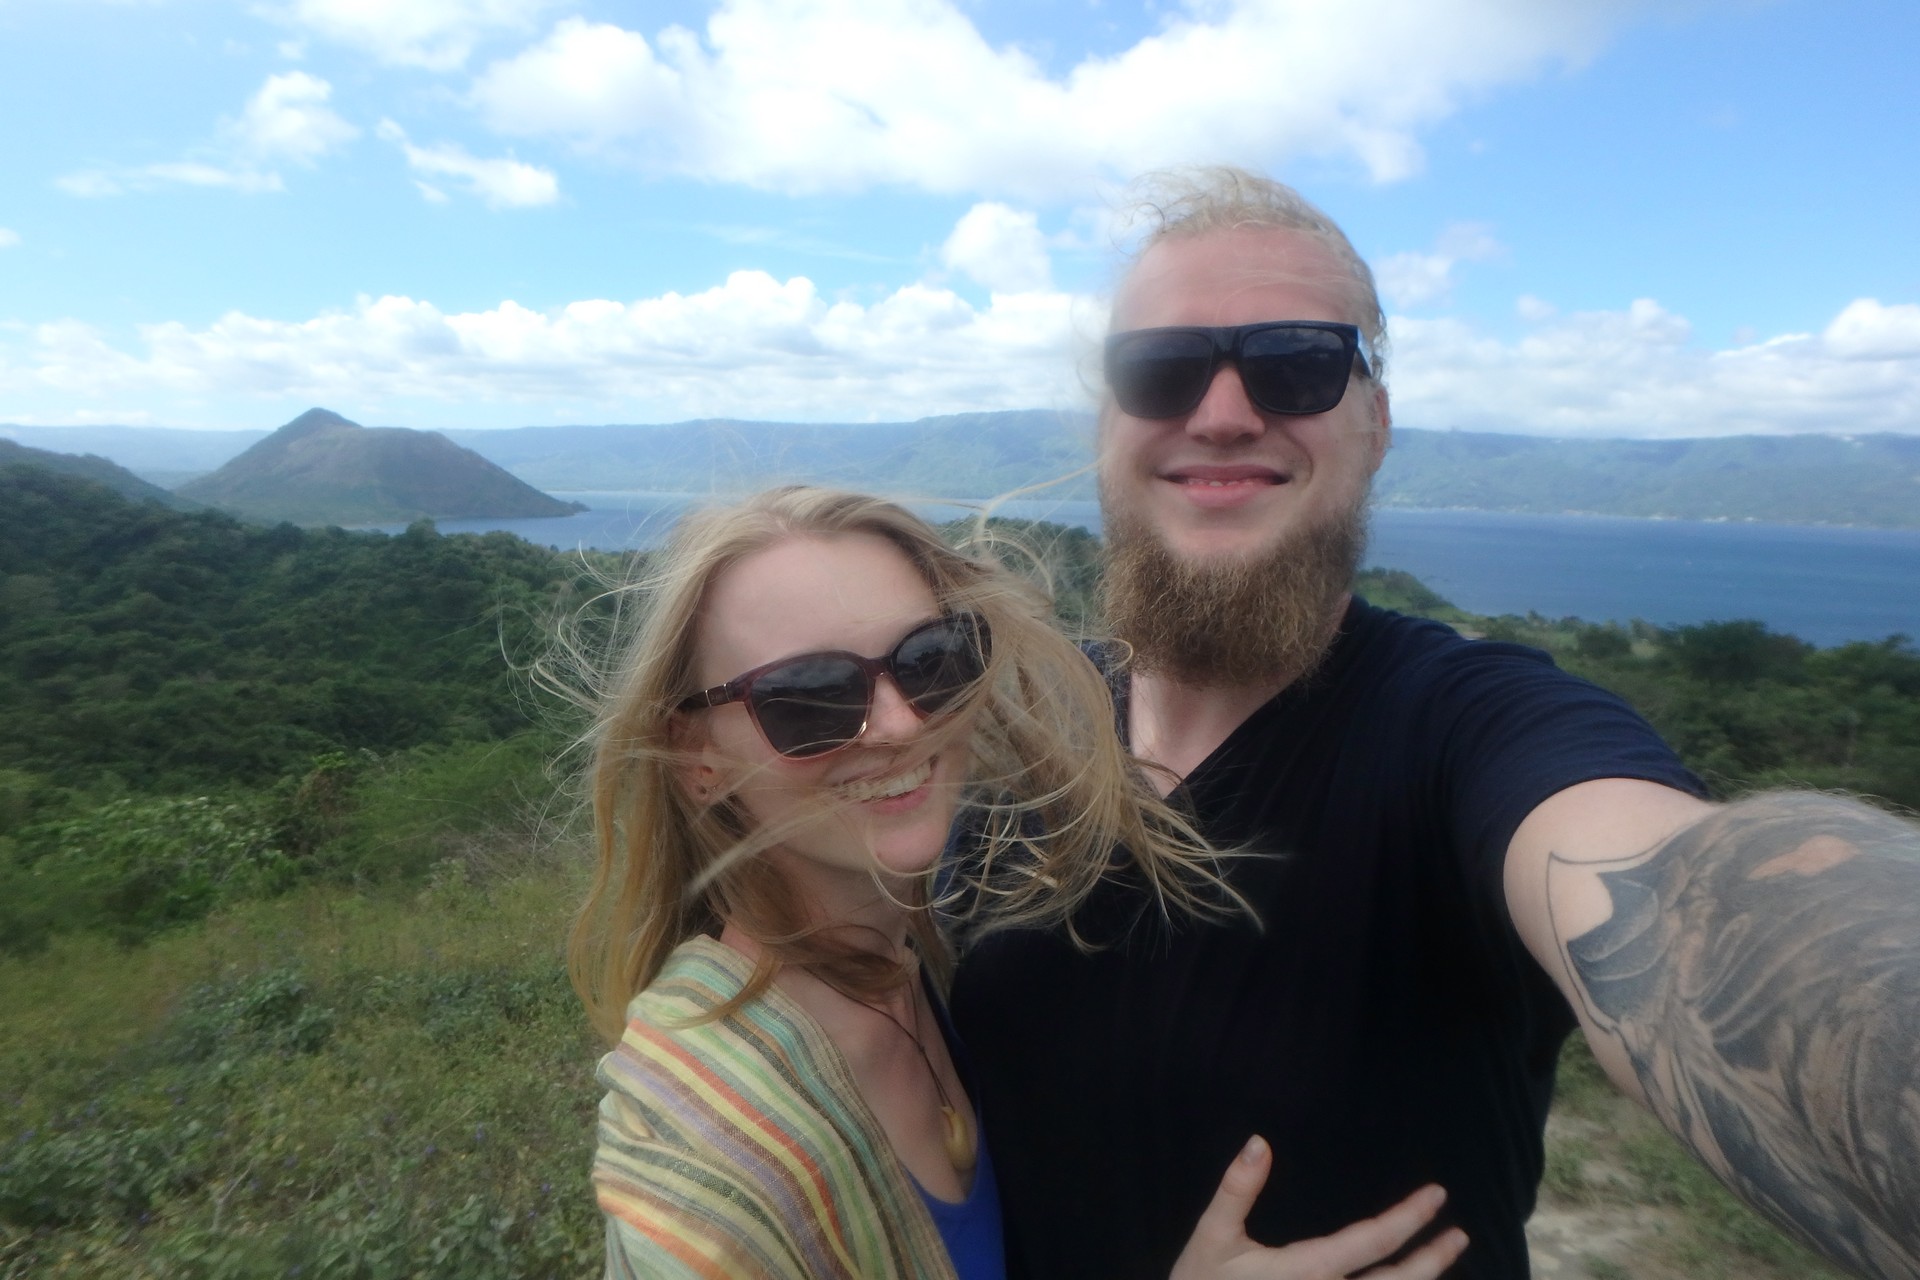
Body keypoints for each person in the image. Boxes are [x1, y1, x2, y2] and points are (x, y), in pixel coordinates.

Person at [949, 167, 1920, 1280]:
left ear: (1376, 423)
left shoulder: (1467, 727)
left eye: (1297, 362)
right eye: (1160, 368)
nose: (1220, 414)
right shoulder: (1006, 734)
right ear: (1110, 421)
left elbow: (1686, 896)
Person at [555, 487, 1471, 1280]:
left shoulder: (921, 961)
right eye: (807, 697)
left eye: (929, 660)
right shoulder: (709, 1165)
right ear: (697, 758)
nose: (899, 723)